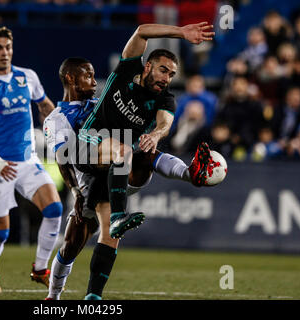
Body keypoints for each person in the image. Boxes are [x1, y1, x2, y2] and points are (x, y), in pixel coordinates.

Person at [44, 56, 216, 300]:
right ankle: (53, 295)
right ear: (70, 79)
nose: (94, 81)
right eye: (88, 76)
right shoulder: (56, 119)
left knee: (144, 152)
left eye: (94, 75)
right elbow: (63, 158)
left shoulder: (100, 102)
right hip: (88, 183)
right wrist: (76, 192)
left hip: (119, 168)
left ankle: (189, 173)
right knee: (73, 244)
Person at [76, 22, 214, 242]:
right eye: (163, 70)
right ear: (148, 66)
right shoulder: (128, 69)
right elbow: (141, 31)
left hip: (118, 167)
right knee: (125, 150)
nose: (167, 78)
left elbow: (165, 124)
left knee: (100, 242)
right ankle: (118, 216)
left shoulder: (166, 98)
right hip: (85, 146)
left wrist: (155, 135)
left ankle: (189, 174)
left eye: (172, 75)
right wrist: (181, 33)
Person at [0, 26, 62, 293]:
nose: (4, 53)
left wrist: (59, 122)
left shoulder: (27, 77)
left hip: (27, 161)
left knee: (54, 210)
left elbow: (45, 106)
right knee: (0, 233)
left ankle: (40, 268)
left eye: (8, 47)